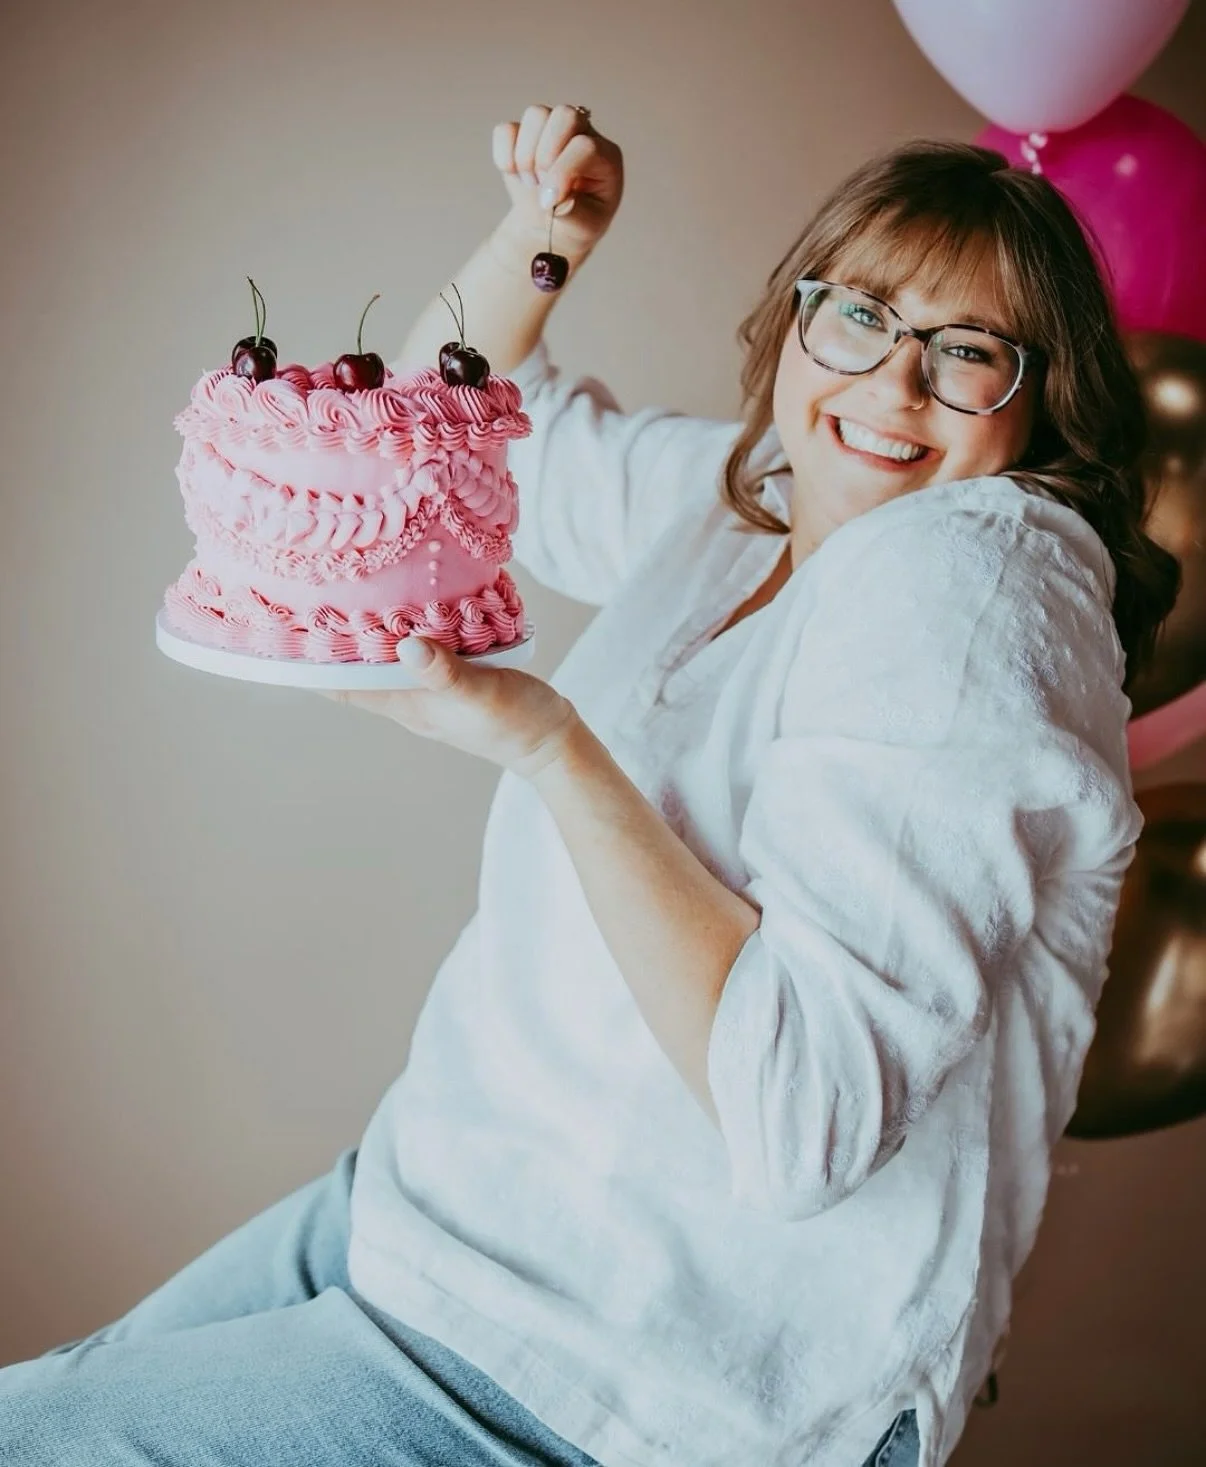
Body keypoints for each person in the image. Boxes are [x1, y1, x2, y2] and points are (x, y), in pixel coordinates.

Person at [0, 102, 1180, 1467]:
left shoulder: (972, 580)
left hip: (641, 1363)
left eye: (967, 352)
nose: (892, 385)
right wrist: (540, 240)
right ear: (795, 324)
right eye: (857, 315)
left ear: (1043, 407)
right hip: (439, 1203)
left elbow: (804, 1119)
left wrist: (552, 743)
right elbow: (429, 447)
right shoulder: (748, 498)